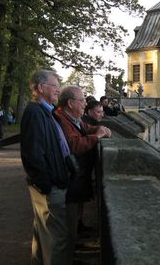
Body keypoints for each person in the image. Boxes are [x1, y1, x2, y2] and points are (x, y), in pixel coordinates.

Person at [54, 85, 111, 259]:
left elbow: (86, 128)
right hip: (69, 180)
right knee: (67, 230)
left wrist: (98, 130)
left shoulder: (72, 118)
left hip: (76, 180)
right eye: (81, 101)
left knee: (73, 222)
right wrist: (98, 136)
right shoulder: (62, 119)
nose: (85, 104)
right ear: (70, 103)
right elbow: (74, 145)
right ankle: (66, 258)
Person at [20, 69, 71, 265]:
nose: (59, 90)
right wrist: (46, 185)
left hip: (49, 184)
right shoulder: (35, 112)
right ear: (41, 88)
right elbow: (33, 153)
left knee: (43, 234)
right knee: (56, 238)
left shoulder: (45, 111)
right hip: (49, 187)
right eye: (55, 86)